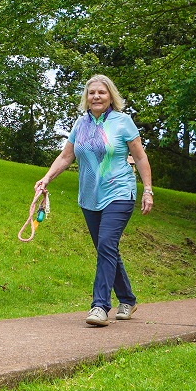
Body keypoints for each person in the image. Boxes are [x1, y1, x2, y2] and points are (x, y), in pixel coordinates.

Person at [35, 75, 153, 326]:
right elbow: (66, 156)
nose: (96, 97)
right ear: (86, 98)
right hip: (90, 196)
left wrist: (148, 190)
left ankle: (100, 306)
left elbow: (140, 157)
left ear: (111, 96)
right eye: (91, 93)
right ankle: (128, 299)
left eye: (101, 92)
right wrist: (46, 179)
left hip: (119, 192)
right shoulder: (80, 124)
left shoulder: (123, 122)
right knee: (105, 248)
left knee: (107, 244)